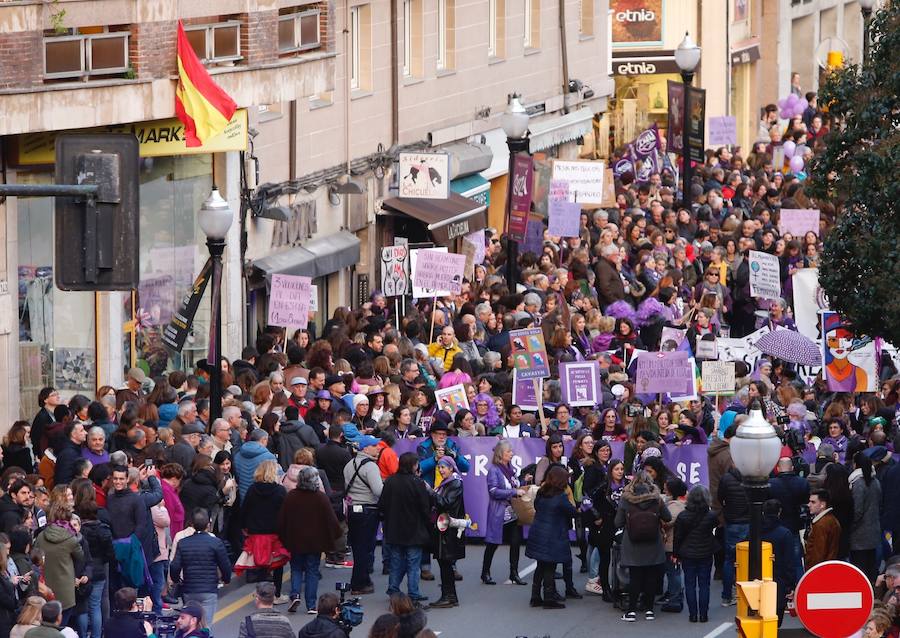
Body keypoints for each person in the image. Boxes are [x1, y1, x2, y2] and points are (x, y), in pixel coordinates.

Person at [277, 466, 341, 614]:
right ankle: (311, 605)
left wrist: (283, 537)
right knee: (312, 571)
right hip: (315, 542)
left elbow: (282, 520)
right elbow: (331, 520)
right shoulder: (320, 497)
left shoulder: (291, 496)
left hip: (295, 540)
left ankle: (295, 595)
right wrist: (335, 535)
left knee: (296, 568)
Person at [379, 452, 431, 603]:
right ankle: (413, 593)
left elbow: (382, 504)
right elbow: (424, 507)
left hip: (394, 529)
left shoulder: (390, 481)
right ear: (414, 465)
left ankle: (393, 590)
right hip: (414, 530)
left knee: (396, 562)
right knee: (413, 564)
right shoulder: (417, 482)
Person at [169, 509, 232, 626]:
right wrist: (226, 579)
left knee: (191, 624)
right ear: (208, 524)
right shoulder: (216, 542)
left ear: (191, 524)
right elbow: (225, 565)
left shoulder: (183, 543)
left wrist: (176, 579)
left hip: (189, 588)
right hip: (209, 589)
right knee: (206, 625)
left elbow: (174, 565)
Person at [526, 465, 576, 609]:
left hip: (538, 532)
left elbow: (536, 507)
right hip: (553, 535)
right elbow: (572, 512)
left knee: (541, 565)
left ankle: (535, 597)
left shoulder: (542, 492)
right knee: (550, 566)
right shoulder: (560, 496)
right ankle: (548, 599)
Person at [241, 460, 290, 604]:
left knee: (261, 564)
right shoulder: (280, 491)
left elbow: (245, 510)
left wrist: (245, 526)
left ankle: (262, 595)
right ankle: (276, 595)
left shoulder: (252, 489)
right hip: (275, 532)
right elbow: (285, 513)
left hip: (256, 532)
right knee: (277, 564)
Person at [343, 435, 384, 595]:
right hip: (368, 510)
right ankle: (359, 583)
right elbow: (378, 491)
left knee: (358, 547)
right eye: (375, 445)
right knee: (365, 548)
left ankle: (361, 580)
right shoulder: (371, 467)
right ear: (366, 448)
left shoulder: (349, 464)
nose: (378, 448)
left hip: (353, 509)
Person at [481, 441, 525, 586]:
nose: (511, 453)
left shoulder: (509, 468)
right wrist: (514, 491)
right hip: (499, 511)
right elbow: (493, 492)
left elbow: (514, 485)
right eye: (508, 452)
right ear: (501, 454)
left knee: (516, 542)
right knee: (493, 543)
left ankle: (514, 573)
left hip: (512, 511)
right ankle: (485, 572)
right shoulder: (494, 470)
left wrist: (523, 481)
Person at [674, 485, 718, 623]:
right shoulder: (711, 516)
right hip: (705, 552)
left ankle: (693, 615)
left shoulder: (683, 516)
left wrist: (676, 554)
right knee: (704, 585)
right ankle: (704, 615)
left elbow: (678, 537)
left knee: (690, 584)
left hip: (688, 553)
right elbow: (715, 527)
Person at [34, 503, 83, 627]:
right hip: (65, 589)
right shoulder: (71, 539)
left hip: (45, 588)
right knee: (63, 624)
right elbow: (81, 557)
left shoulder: (40, 537)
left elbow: (35, 556)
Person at [427, 457, 466, 609]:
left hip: (449, 529)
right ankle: (449, 595)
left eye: (444, 467)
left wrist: (430, 492)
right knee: (445, 563)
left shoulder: (455, 483)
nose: (441, 470)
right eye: (439, 468)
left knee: (446, 563)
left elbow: (445, 503)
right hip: (444, 527)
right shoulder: (447, 483)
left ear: (451, 468)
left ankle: (448, 596)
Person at [760, 500, 798, 626]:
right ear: (779, 512)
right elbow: (789, 562)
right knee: (775, 623)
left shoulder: (754, 532)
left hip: (757, 582)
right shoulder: (785, 534)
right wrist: (790, 586)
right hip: (778, 584)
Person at [717, 465, 750, 606]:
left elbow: (720, 497)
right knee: (749, 559)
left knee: (729, 559)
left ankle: (726, 596)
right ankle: (747, 595)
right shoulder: (750, 476)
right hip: (748, 521)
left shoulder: (726, 478)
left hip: (731, 521)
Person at [849, 451, 882, 584]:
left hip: (859, 535)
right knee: (871, 568)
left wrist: (851, 527)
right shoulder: (876, 482)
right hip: (873, 531)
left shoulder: (858, 484)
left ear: (856, 464)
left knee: (860, 571)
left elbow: (857, 511)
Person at [804, 489, 841, 569]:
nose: (809, 505)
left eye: (813, 502)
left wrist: (813, 572)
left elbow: (818, 554)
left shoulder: (821, 524)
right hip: (828, 567)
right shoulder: (831, 520)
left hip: (818, 570)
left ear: (822, 505)